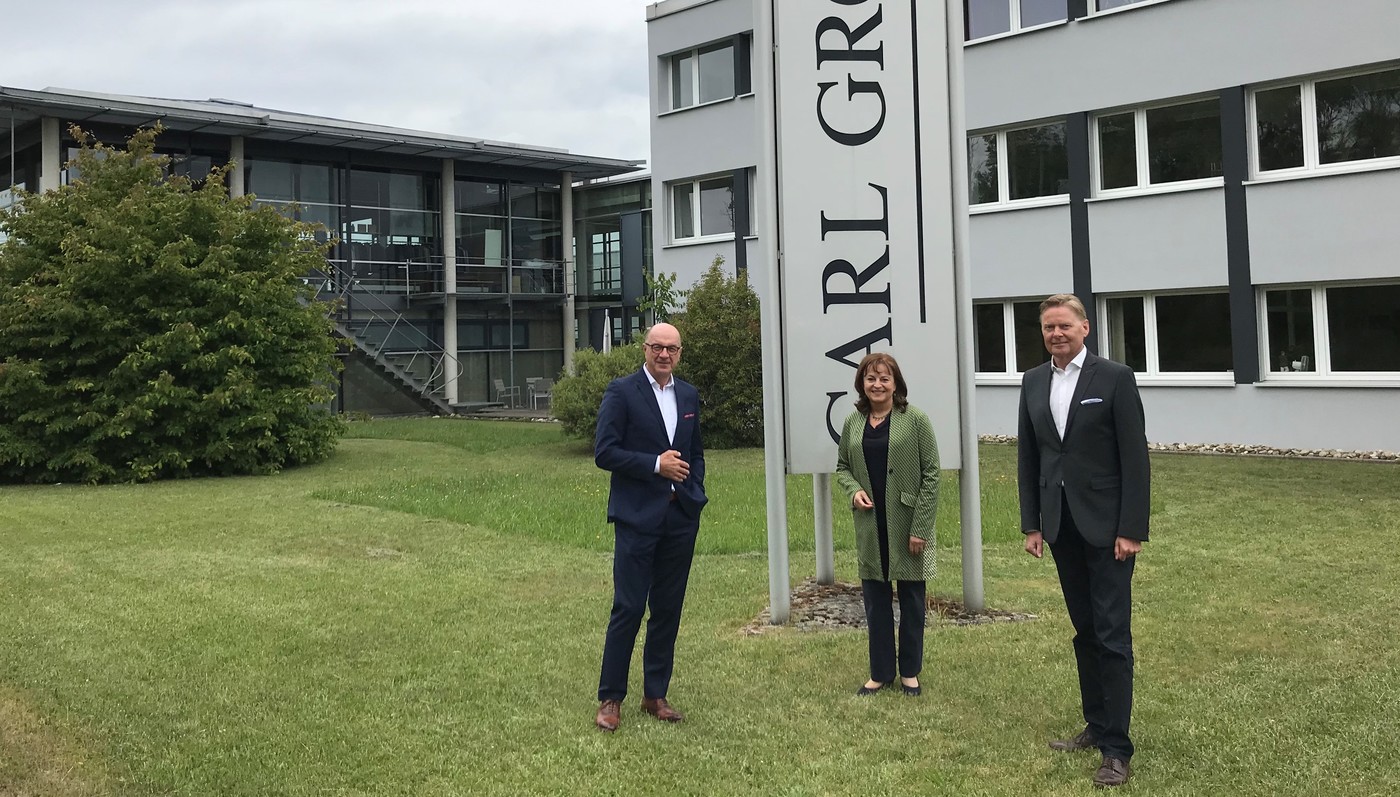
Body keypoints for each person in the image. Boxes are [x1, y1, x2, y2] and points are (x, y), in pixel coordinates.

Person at [1017, 293, 1150, 788]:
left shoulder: (1114, 378)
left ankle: (1117, 749)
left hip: (1109, 528)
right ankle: (1096, 725)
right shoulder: (1033, 381)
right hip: (1060, 526)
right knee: (1085, 631)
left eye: (1064, 326)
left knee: (1112, 635)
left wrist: (1132, 528)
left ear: (1085, 328)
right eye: (1049, 327)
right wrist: (1032, 524)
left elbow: (1135, 457)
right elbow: (1029, 458)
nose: (1056, 334)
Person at [593, 322, 707, 732]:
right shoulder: (622, 391)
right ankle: (610, 698)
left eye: (672, 349)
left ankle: (655, 694)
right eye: (657, 347)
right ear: (644, 349)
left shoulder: (688, 394)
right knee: (628, 607)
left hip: (679, 518)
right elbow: (604, 452)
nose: (664, 355)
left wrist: (695, 492)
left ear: (679, 353)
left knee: (668, 610)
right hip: (637, 517)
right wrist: (655, 465)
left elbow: (695, 451)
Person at [834, 353, 940, 698]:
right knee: (875, 602)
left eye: (884, 379)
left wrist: (921, 527)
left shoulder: (916, 419)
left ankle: (909, 671)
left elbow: (931, 474)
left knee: (911, 601)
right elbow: (842, 468)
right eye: (870, 379)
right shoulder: (853, 421)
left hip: (908, 522)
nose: (877, 385)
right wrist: (854, 492)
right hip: (870, 524)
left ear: (896, 384)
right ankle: (880, 672)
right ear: (861, 384)